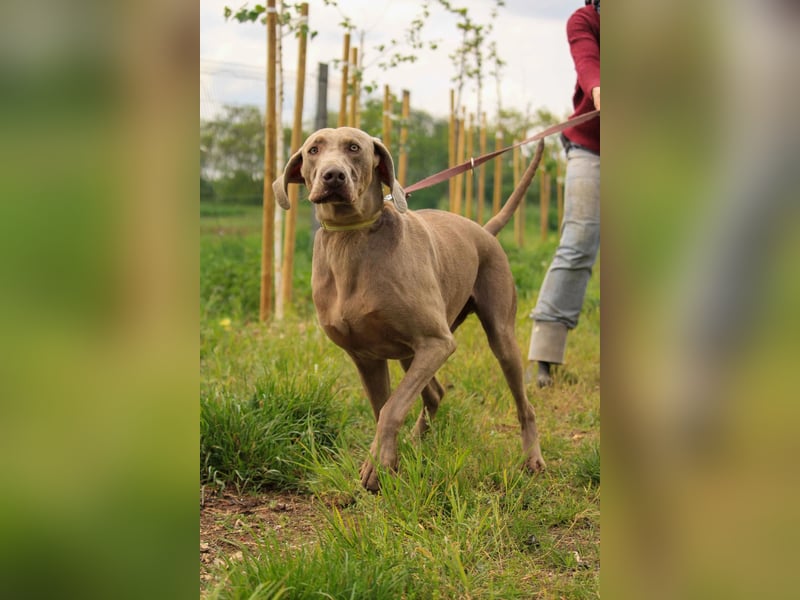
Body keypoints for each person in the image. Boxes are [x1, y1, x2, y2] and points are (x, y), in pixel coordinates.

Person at [528, 0, 600, 387]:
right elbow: (589, 67)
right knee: (580, 238)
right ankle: (544, 353)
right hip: (592, 147)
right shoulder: (585, 20)